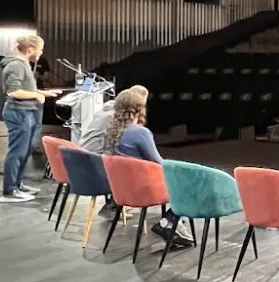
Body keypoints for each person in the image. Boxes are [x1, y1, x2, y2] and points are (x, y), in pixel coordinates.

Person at [106, 89, 195, 248]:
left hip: (121, 190)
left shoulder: (112, 132)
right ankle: (170, 221)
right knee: (190, 182)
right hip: (143, 190)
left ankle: (173, 224)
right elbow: (157, 162)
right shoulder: (140, 133)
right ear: (139, 109)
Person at [0, 35, 61, 203]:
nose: (41, 52)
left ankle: (17, 185)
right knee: (17, 152)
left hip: (26, 112)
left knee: (25, 152)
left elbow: (24, 89)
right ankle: (9, 191)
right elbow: (13, 92)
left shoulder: (24, 65)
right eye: (40, 49)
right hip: (18, 113)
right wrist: (36, 95)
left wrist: (42, 93)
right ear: (30, 50)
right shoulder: (16, 65)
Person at [79, 85, 149, 218]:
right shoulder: (117, 118)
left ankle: (116, 203)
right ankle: (114, 205)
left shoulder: (104, 111)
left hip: (83, 160)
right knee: (131, 164)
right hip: (96, 164)